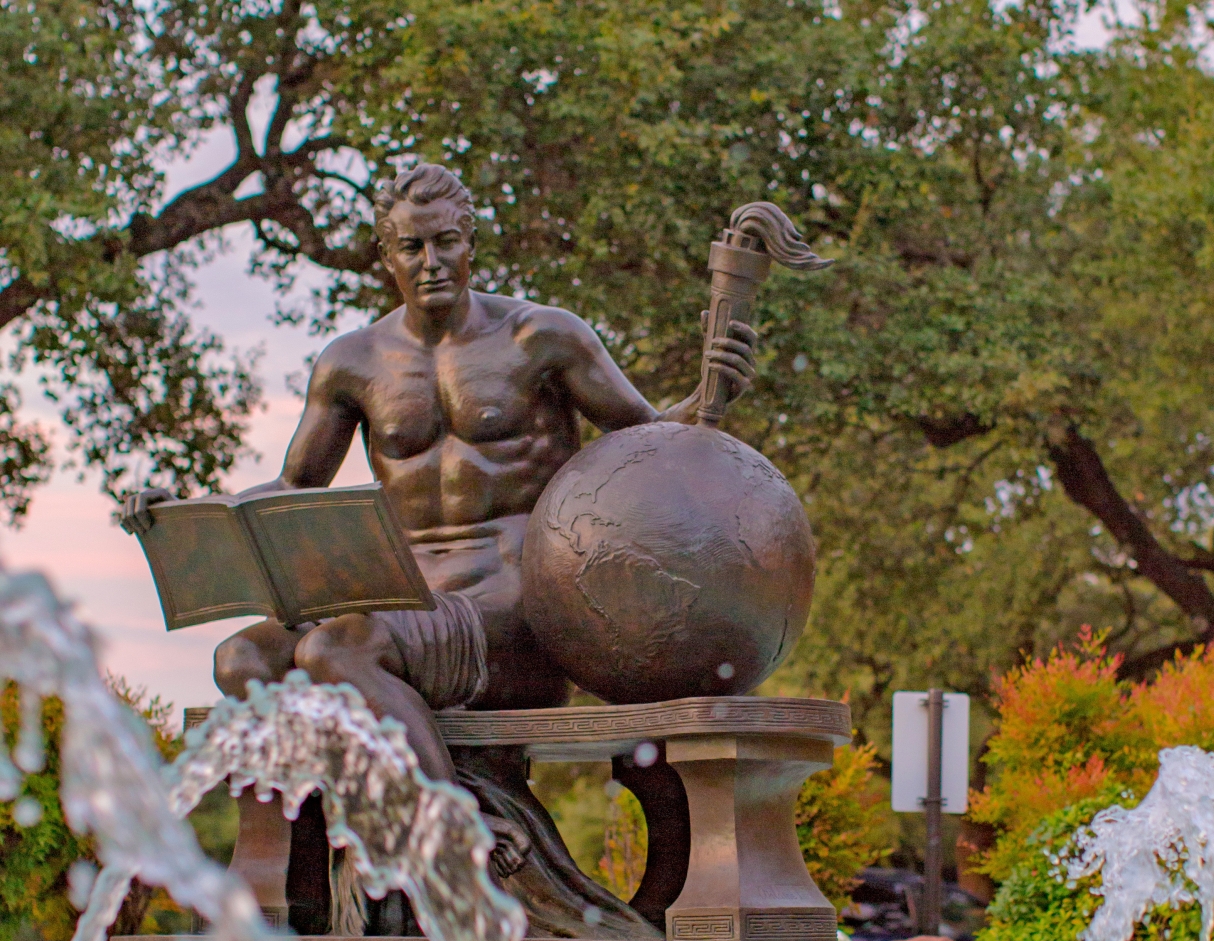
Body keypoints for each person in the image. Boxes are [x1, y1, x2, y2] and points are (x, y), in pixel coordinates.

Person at [121, 163, 757, 796]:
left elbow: (647, 440)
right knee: (241, 662)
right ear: (386, 256)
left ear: (470, 244)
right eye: (412, 246)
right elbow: (293, 485)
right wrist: (184, 512)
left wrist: (710, 396)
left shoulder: (541, 337)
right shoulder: (353, 362)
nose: (431, 261)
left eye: (446, 241)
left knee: (336, 653)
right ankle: (333, 853)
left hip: (515, 608)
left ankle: (451, 843)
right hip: (402, 605)